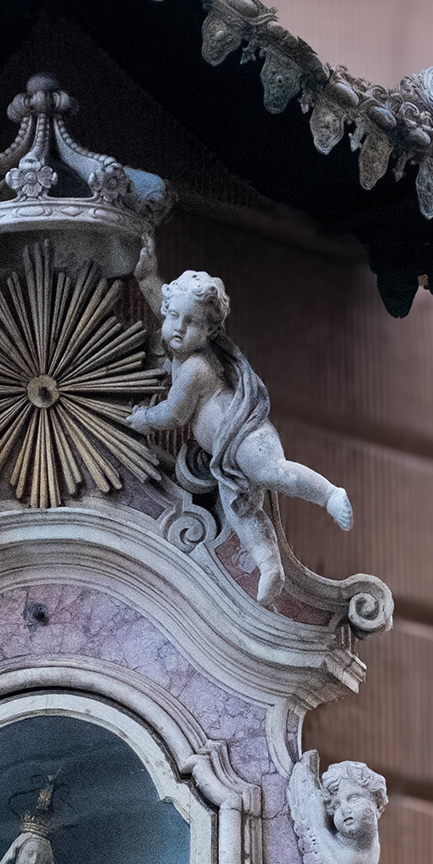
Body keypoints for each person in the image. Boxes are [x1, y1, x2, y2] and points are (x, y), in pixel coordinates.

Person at [125, 236, 352, 606]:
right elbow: (164, 309)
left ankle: (329, 494)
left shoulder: (196, 367)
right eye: (174, 317)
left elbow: (174, 414)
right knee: (241, 510)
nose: (178, 328)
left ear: (210, 332)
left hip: (246, 437)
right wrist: (147, 278)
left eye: (191, 323)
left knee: (272, 472)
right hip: (225, 455)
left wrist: (145, 418)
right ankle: (270, 567)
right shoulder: (180, 342)